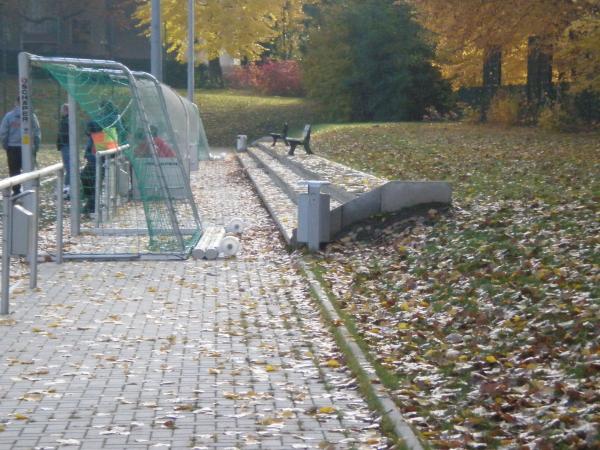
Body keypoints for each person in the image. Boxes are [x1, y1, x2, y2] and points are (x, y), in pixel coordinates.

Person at [0, 96, 41, 195]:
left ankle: (16, 191)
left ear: (16, 103)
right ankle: (30, 190)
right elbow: (36, 133)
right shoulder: (31, 116)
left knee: (14, 170)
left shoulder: (9, 116)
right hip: (28, 147)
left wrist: (5, 145)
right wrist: (36, 147)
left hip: (13, 147)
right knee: (30, 169)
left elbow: (3, 132)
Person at [80, 121, 103, 215]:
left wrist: (88, 155)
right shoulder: (93, 137)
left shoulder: (100, 136)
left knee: (93, 182)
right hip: (94, 162)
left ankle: (91, 205)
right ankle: (90, 201)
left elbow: (101, 155)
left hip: (98, 163)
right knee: (85, 177)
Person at [56, 103, 70, 197]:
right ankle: (67, 186)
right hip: (65, 145)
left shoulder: (66, 121)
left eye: (62, 110)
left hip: (66, 146)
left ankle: (67, 187)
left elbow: (63, 134)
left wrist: (60, 143)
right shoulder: (65, 120)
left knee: (69, 167)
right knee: (69, 167)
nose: (61, 111)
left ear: (66, 110)